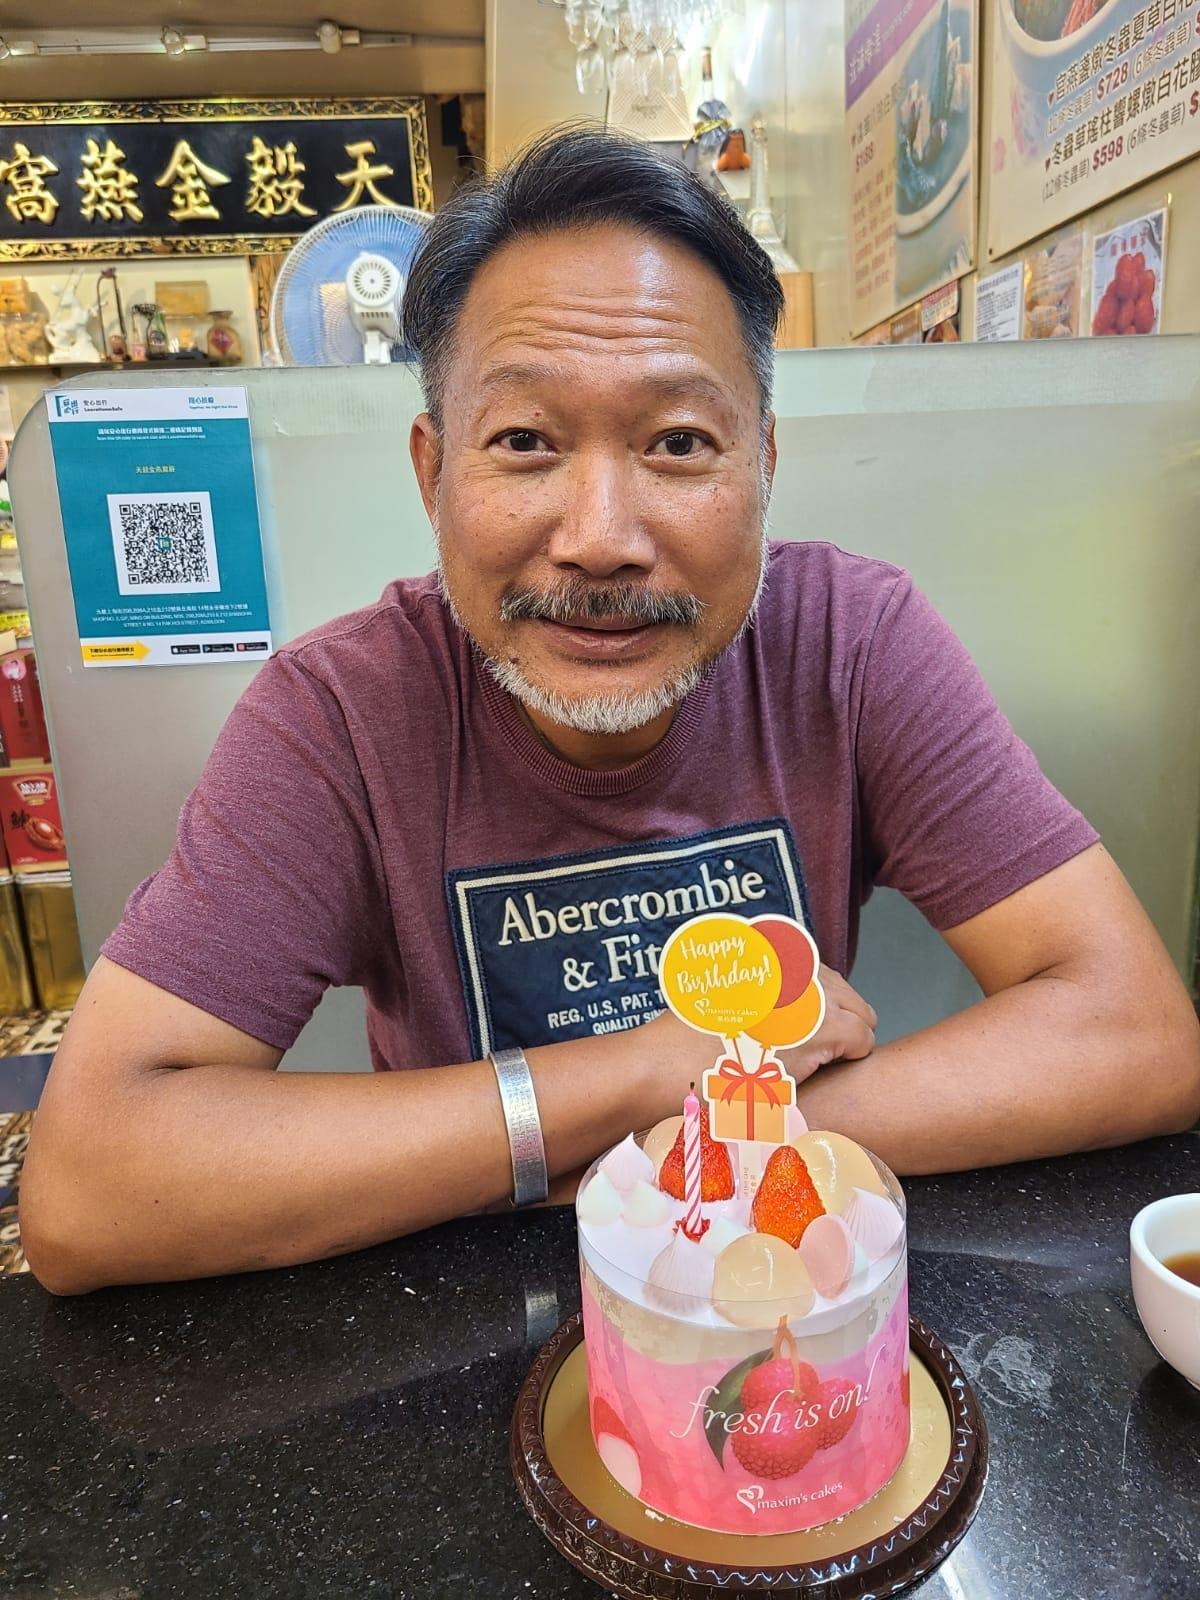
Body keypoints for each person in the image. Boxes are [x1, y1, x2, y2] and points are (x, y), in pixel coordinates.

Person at [20, 129, 1199, 1295]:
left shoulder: (852, 643)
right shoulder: (340, 717)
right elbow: (92, 1182)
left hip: (778, 1293)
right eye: (525, 441)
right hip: (469, 1329)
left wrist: (698, 1128)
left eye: (678, 443)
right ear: (433, 473)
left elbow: (1132, 1032)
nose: (599, 538)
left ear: (764, 464)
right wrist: (641, 1070)